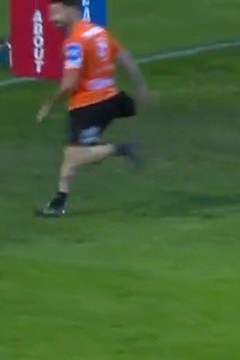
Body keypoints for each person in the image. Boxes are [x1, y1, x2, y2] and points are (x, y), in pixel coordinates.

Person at [34, 0, 153, 217]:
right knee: (70, 155)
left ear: (71, 9)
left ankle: (122, 149)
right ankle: (58, 203)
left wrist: (50, 104)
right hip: (110, 99)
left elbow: (69, 83)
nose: (51, 20)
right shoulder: (99, 32)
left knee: (76, 156)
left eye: (55, 13)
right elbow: (124, 57)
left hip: (89, 105)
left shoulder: (74, 42)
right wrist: (140, 85)